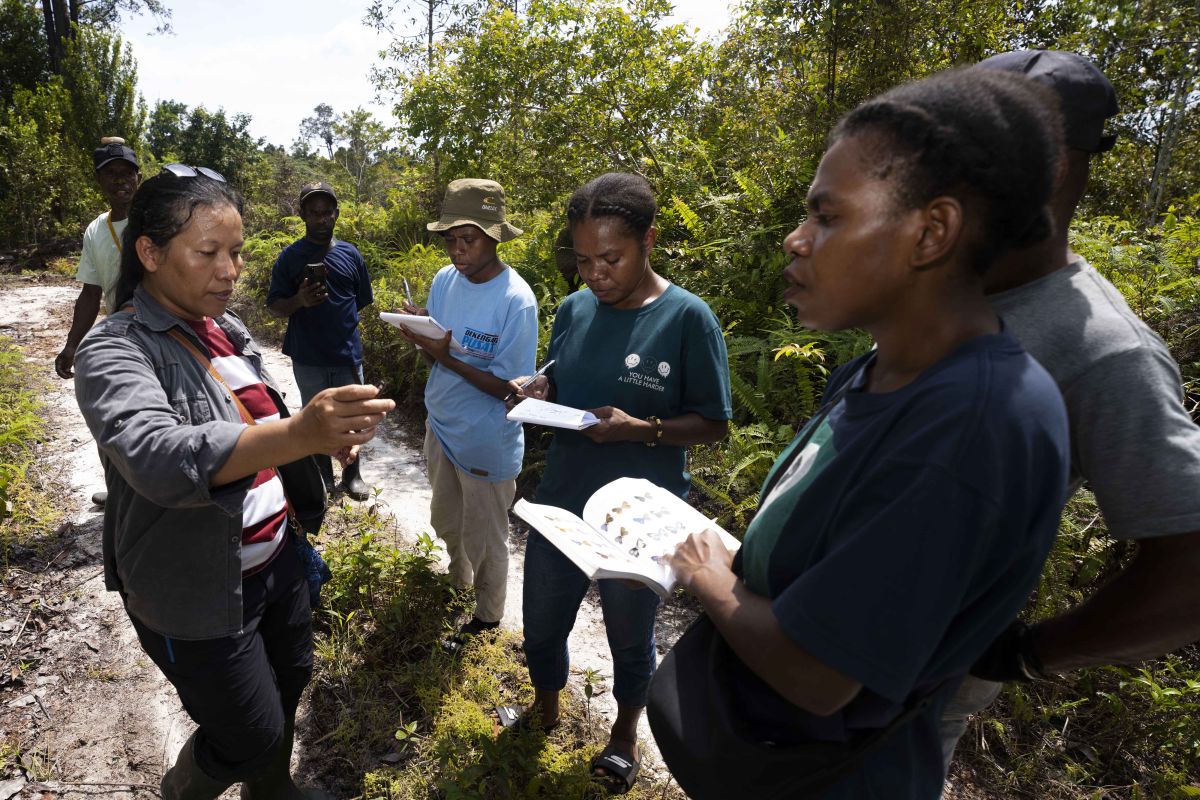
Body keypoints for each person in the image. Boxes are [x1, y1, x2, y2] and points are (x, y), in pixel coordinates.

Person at [661, 69, 1071, 799]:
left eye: (827, 216)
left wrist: (709, 580)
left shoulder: (968, 427)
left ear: (931, 231)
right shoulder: (873, 373)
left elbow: (819, 677)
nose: (795, 239)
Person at [73, 165, 395, 800]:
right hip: (196, 590)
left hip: (277, 558)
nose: (230, 270)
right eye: (209, 252)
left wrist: (319, 434)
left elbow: (259, 430)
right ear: (150, 253)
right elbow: (158, 456)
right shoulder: (114, 349)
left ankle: (270, 794)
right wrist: (300, 433)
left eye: (237, 252)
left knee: (290, 679)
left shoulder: (227, 331)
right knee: (248, 732)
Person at [938, 49, 1200, 776]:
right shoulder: (952, 287)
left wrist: (1028, 653)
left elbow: (1191, 566)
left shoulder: (1106, 353)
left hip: (912, 688)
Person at [510, 172, 732, 794]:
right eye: (583, 260)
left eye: (611, 258)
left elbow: (714, 425)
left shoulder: (688, 320)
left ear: (648, 242)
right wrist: (541, 386)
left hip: (637, 517)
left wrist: (643, 429)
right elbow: (563, 370)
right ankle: (546, 711)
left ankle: (625, 733)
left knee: (631, 637)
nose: (594, 274)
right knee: (542, 622)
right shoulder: (574, 308)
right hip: (561, 500)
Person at [397, 178, 537, 650]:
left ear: (494, 236)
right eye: (451, 239)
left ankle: (488, 617)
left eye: (469, 239)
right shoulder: (444, 281)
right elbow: (436, 353)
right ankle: (458, 583)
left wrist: (446, 355)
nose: (458, 250)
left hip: (486, 437)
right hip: (443, 425)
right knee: (447, 520)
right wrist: (420, 337)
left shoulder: (516, 301)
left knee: (488, 536)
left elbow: (511, 390)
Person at [267, 181, 375, 500]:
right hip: (308, 356)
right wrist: (299, 300)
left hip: (346, 354)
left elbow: (360, 301)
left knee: (353, 418)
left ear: (336, 215)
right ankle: (323, 478)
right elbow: (274, 305)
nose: (321, 219)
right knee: (316, 419)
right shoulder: (289, 258)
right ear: (302, 214)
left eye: (327, 212)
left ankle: (352, 475)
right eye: (314, 212)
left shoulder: (350, 255)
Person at [55, 137, 141, 381]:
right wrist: (72, 344)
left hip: (167, 328)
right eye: (111, 173)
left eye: (127, 172)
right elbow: (91, 293)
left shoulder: (158, 219)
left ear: (139, 178)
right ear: (98, 180)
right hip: (124, 333)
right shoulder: (95, 230)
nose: (120, 179)